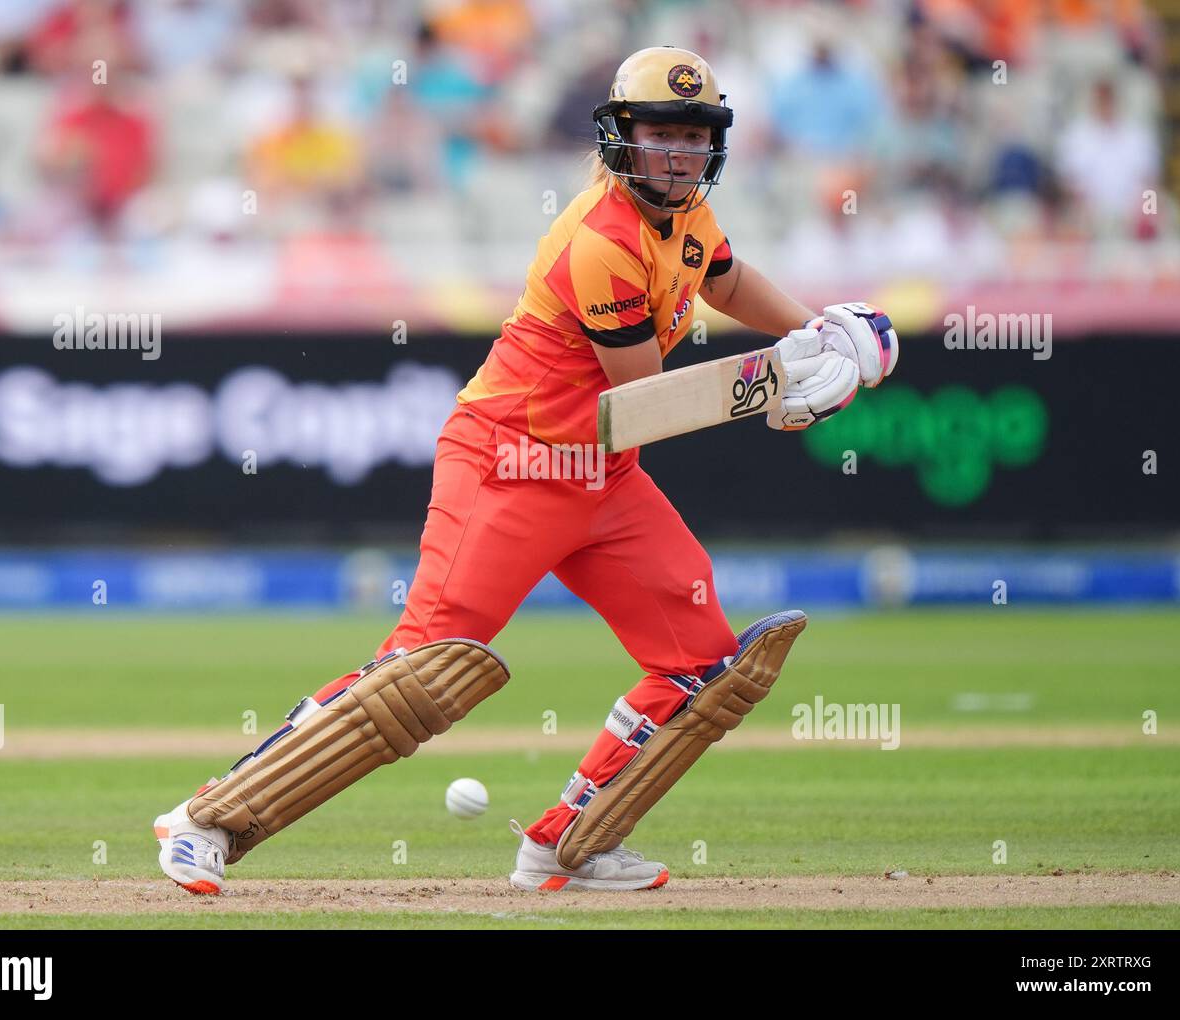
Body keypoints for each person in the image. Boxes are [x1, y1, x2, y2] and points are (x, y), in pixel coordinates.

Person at [153, 46, 897, 894]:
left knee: (702, 665)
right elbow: (646, 396)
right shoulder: (600, 241)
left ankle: (569, 843)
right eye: (660, 135)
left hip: (604, 476)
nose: (679, 154)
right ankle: (207, 818)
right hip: (509, 463)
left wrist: (819, 331)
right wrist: (780, 380)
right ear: (621, 139)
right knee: (423, 672)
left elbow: (722, 282)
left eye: (695, 137)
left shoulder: (688, 216)